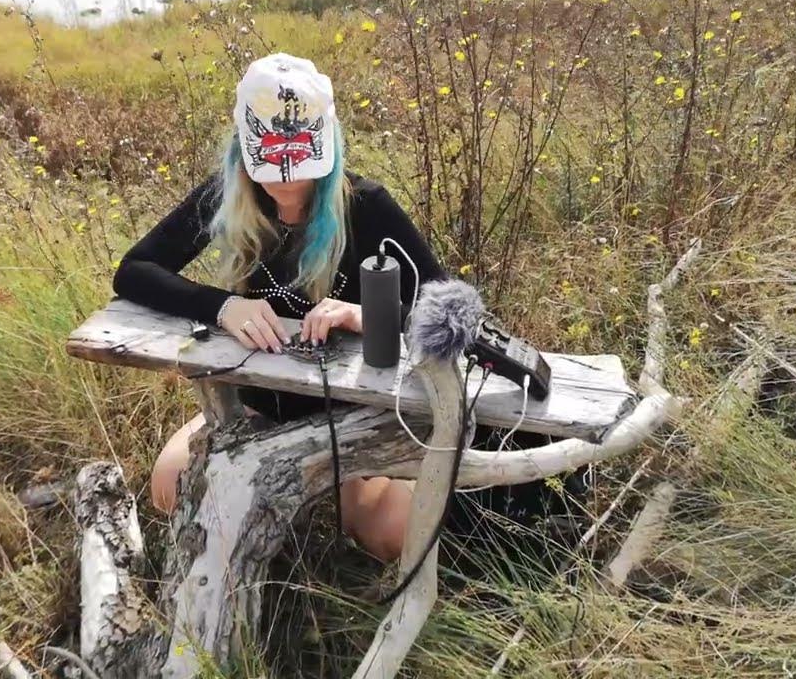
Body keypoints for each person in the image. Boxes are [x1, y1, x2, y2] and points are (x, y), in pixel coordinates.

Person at [113, 53, 570, 563]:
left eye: (302, 170)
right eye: (269, 167)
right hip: (257, 402)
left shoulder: (365, 205)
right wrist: (222, 306)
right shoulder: (227, 195)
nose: (286, 185)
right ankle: (273, 563)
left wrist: (364, 316)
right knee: (170, 486)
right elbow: (134, 270)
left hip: (350, 409)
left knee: (388, 531)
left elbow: (452, 313)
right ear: (243, 149)